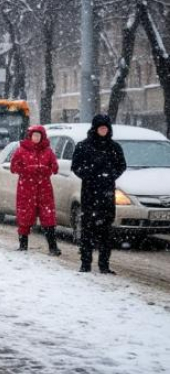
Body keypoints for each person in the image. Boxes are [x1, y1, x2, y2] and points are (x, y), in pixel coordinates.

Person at [71, 114, 127, 274]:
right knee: (88, 230)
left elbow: (121, 165)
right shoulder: (84, 146)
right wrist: (90, 174)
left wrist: (110, 175)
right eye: (100, 127)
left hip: (107, 194)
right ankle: (85, 263)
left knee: (105, 231)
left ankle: (104, 265)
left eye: (106, 127)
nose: (103, 130)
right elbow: (76, 166)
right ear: (95, 129)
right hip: (90, 193)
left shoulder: (114, 147)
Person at [10, 125, 60, 255]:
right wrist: (28, 170)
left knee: (48, 216)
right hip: (26, 188)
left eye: (38, 136)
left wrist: (47, 169)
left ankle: (53, 247)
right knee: (25, 215)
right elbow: (13, 167)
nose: (36, 138)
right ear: (30, 136)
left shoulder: (48, 151)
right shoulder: (21, 150)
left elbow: (55, 168)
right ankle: (23, 245)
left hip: (44, 188)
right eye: (34, 135)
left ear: (42, 137)